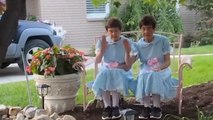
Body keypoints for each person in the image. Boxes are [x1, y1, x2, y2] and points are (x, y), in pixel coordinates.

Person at [131, 15, 178, 119]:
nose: (146, 31)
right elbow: (132, 60)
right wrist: (128, 53)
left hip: (162, 68)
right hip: (146, 69)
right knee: (144, 75)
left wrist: (160, 67)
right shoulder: (139, 44)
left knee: (154, 75)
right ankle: (147, 107)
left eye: (149, 28)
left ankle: (157, 107)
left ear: (154, 29)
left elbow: (167, 61)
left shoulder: (163, 41)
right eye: (143, 29)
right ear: (140, 29)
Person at [92, 17, 133, 120]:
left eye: (116, 31)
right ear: (107, 31)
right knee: (105, 75)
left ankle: (115, 106)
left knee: (115, 75)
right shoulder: (103, 41)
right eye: (111, 31)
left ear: (120, 30)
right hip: (107, 69)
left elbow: (128, 66)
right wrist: (103, 49)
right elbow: (97, 60)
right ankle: (107, 107)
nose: (113, 34)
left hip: (122, 69)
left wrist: (127, 52)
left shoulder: (125, 42)